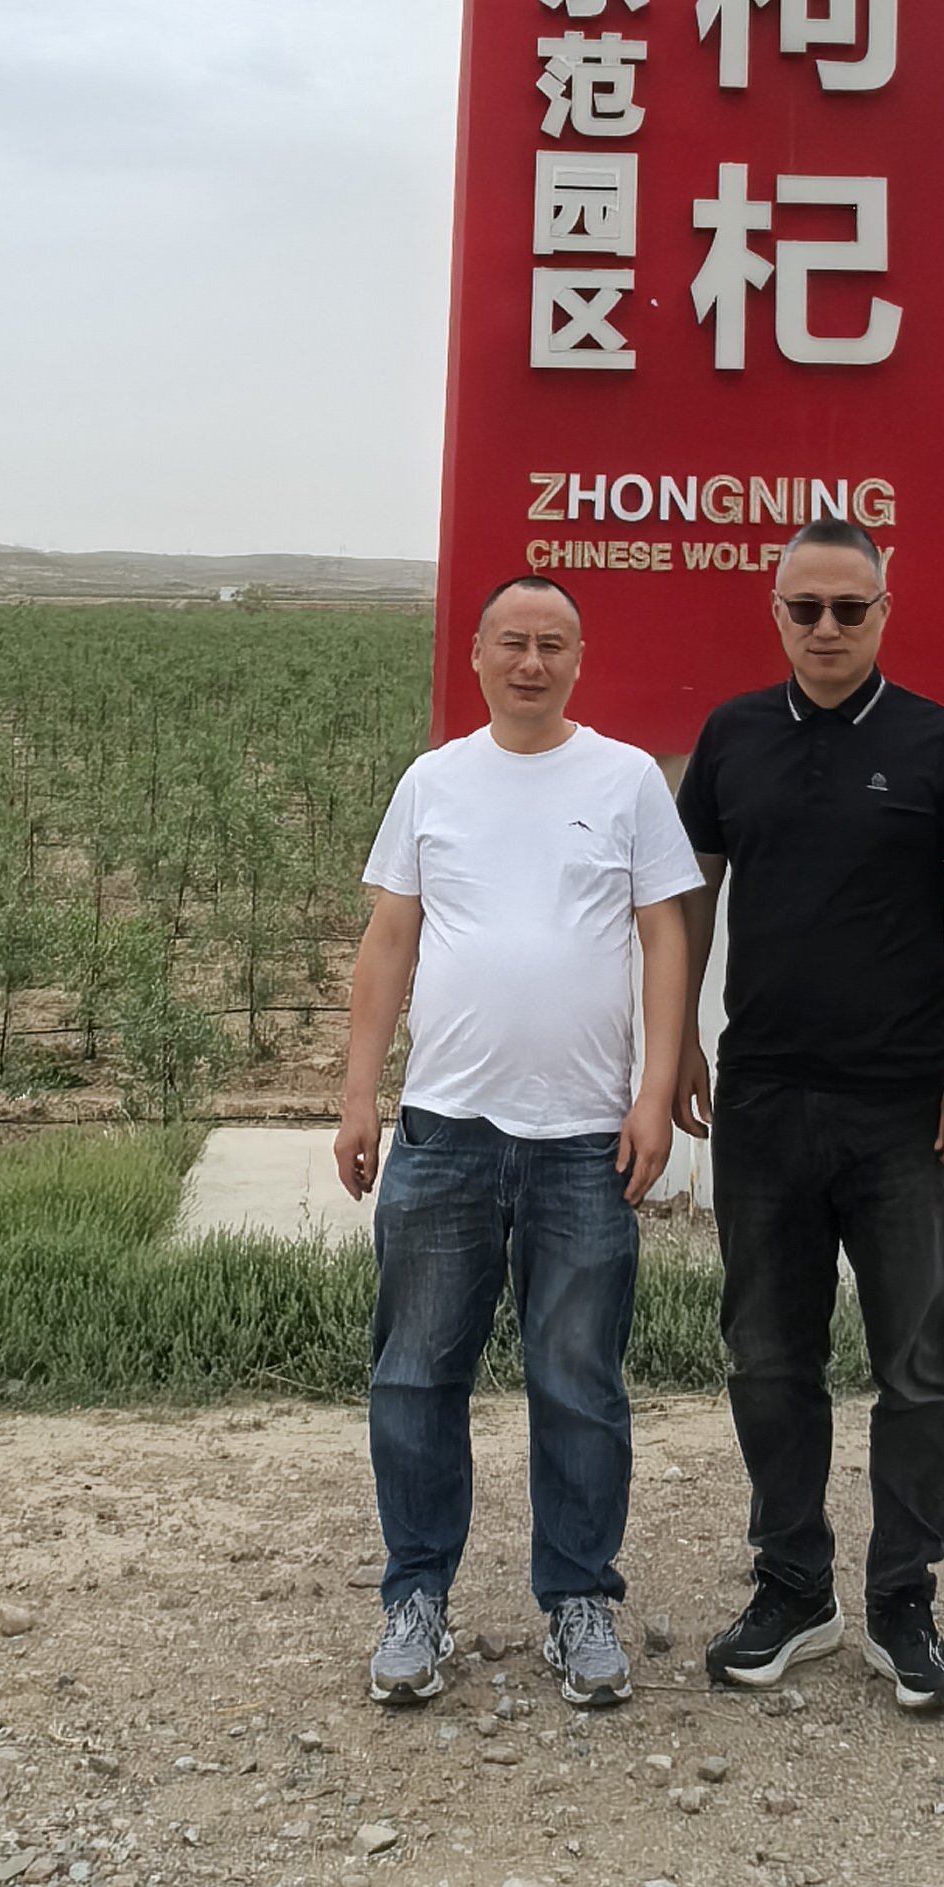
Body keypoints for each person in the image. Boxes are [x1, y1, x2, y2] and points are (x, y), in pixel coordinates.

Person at [337, 577, 702, 1711]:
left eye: (552, 643)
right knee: (414, 1375)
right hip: (444, 1128)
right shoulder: (433, 780)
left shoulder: (627, 779)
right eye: (512, 642)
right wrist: (360, 1094)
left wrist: (654, 1091)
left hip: (585, 1138)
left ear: (579, 658)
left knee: (579, 1381)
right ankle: (416, 1598)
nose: (531, 661)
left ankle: (579, 1599)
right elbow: (389, 940)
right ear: (478, 655)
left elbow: (665, 937)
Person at [674, 517, 944, 1715]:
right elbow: (692, 900)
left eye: (848, 607)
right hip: (765, 1097)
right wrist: (675, 1044)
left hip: (904, 1108)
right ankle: (793, 1585)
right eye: (805, 606)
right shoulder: (732, 737)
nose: (826, 626)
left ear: (883, 611)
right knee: (769, 1356)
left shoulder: (939, 744)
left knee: (918, 1364)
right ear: (775, 611)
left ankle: (903, 1598)